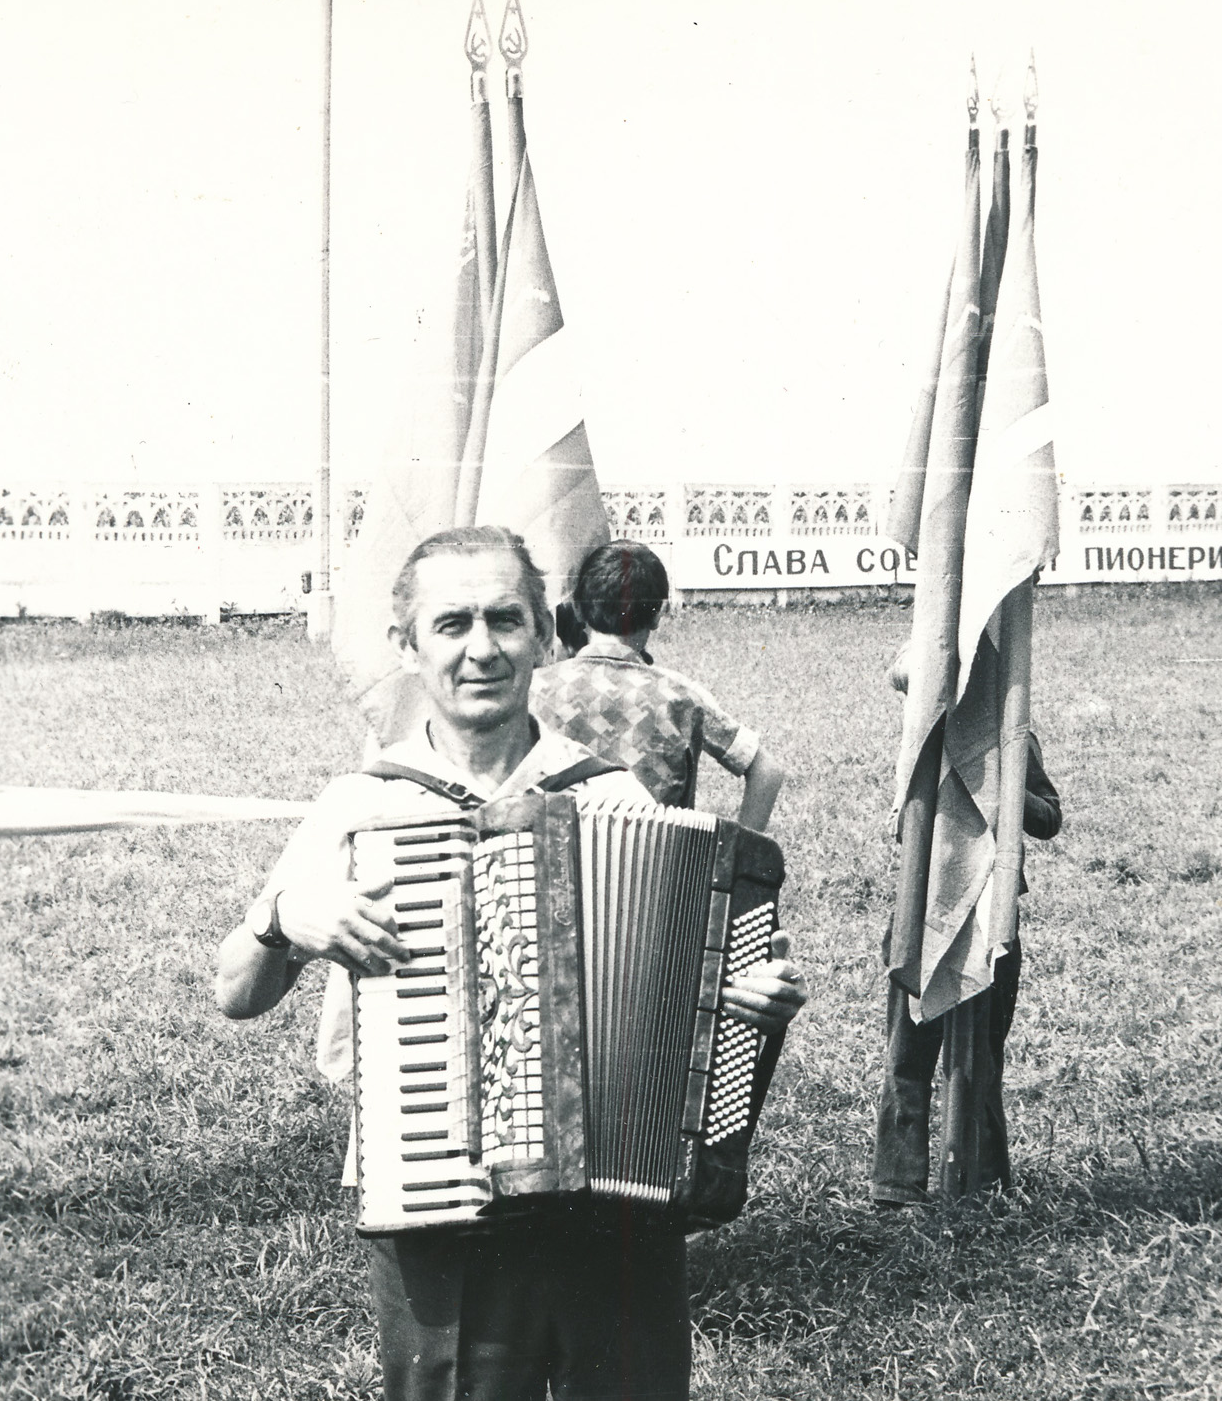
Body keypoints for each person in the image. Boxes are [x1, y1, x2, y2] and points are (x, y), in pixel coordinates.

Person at [214, 526, 811, 1401]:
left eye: (505, 619)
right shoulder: (361, 807)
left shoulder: (609, 795)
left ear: (543, 635)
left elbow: (684, 1008)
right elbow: (235, 992)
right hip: (434, 1198)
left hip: (613, 1208)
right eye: (452, 623)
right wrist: (282, 920)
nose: (482, 648)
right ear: (407, 646)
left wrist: (750, 998)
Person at [872, 646, 1061, 1204]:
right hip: (921, 914)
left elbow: (1049, 816)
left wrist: (1009, 784)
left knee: (979, 1059)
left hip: (989, 915)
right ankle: (896, 1184)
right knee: (907, 1054)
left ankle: (982, 1182)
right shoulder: (918, 742)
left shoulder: (1011, 737)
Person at [531, 539, 787, 830]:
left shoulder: (534, 689)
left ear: (577, 609)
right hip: (657, 858)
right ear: (657, 615)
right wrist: (737, 853)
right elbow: (767, 771)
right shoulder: (681, 696)